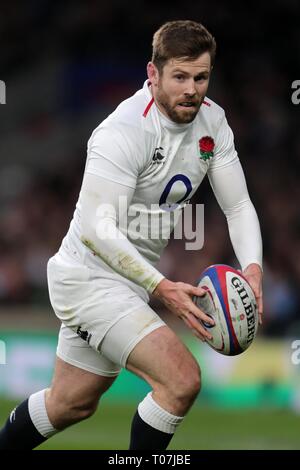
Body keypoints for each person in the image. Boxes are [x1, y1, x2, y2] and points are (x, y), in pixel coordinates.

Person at [0, 19, 263, 450]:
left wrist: (253, 268)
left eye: (201, 77)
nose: (192, 89)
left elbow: (237, 205)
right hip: (88, 280)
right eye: (179, 77)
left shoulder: (213, 123)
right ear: (153, 74)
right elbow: (95, 230)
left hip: (130, 282)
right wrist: (162, 288)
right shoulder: (122, 132)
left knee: (70, 403)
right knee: (181, 380)